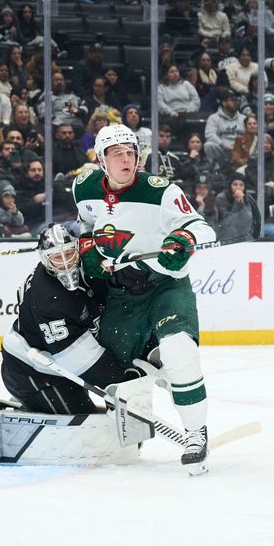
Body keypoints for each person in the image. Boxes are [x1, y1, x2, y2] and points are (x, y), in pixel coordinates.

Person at [72, 124, 216, 474]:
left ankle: (196, 432)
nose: (126, 159)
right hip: (121, 294)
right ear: (101, 160)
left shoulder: (161, 191)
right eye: (116, 153)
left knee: (180, 350)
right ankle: (130, 432)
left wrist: (180, 242)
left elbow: (203, 228)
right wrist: (89, 251)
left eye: (131, 152)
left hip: (165, 285)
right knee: (114, 371)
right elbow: (86, 226)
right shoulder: (84, 187)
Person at [0, 223, 149, 415]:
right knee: (87, 425)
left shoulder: (90, 267)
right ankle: (28, 400)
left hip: (59, 363)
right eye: (56, 258)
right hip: (32, 373)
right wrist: (123, 382)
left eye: (69, 253)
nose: (65, 263)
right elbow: (79, 359)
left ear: (78, 248)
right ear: (45, 260)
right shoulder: (49, 298)